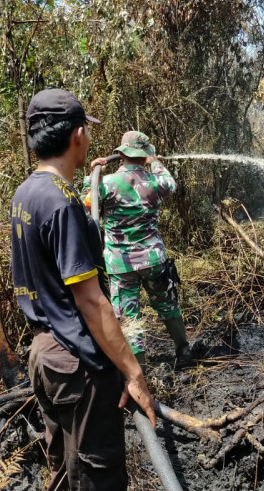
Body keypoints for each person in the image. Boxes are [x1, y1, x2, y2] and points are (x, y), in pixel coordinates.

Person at [10, 89, 156, 491]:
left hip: (45, 355)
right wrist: (133, 372)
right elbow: (91, 301)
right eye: (87, 132)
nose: (89, 139)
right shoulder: (62, 204)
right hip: (77, 364)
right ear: (77, 135)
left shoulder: (27, 193)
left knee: (62, 468)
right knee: (97, 476)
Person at [85, 131, 193, 370]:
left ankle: (140, 373)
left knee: (130, 317)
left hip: (121, 264)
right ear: (145, 155)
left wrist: (92, 175)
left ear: (122, 153)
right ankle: (184, 352)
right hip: (153, 259)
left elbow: (86, 204)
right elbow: (170, 185)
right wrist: (155, 163)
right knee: (168, 305)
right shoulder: (156, 182)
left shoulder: (106, 183)